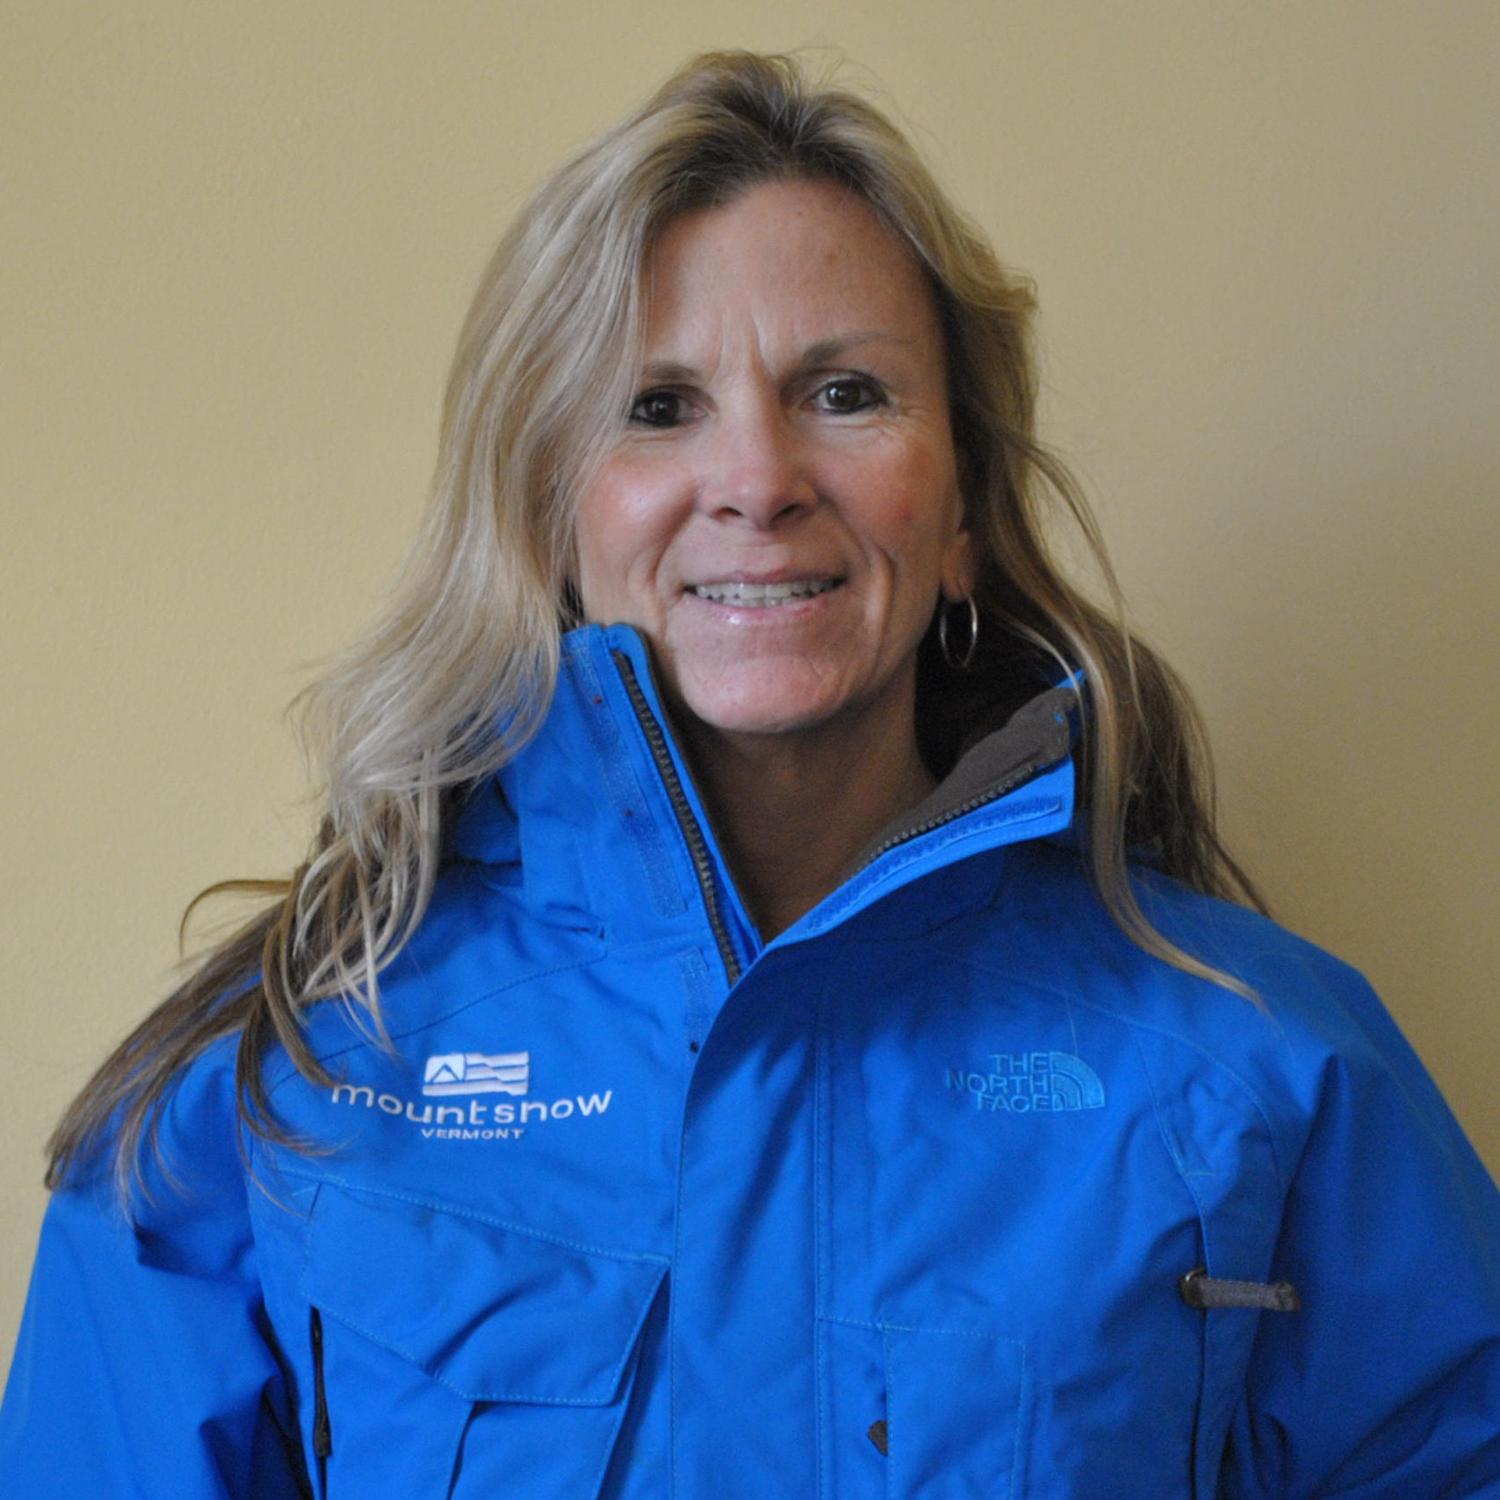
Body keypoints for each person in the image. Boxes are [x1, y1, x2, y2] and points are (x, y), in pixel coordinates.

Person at [2, 47, 1497, 1499]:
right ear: (547, 515)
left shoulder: (1258, 1061)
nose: (761, 480)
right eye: (658, 407)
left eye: (845, 393)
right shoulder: (273, 1086)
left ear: (963, 509)